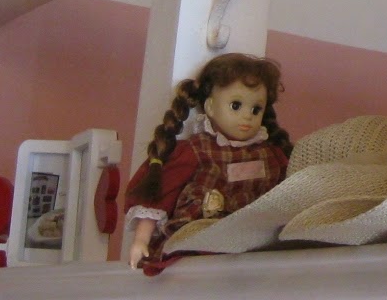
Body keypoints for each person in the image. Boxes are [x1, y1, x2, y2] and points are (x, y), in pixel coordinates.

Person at [124, 53, 293, 269]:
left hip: (256, 242)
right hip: (202, 239)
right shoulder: (196, 151)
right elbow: (159, 197)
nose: (247, 116)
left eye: (255, 109)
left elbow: (290, 193)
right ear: (210, 107)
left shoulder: (271, 155)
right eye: (235, 105)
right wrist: (141, 240)